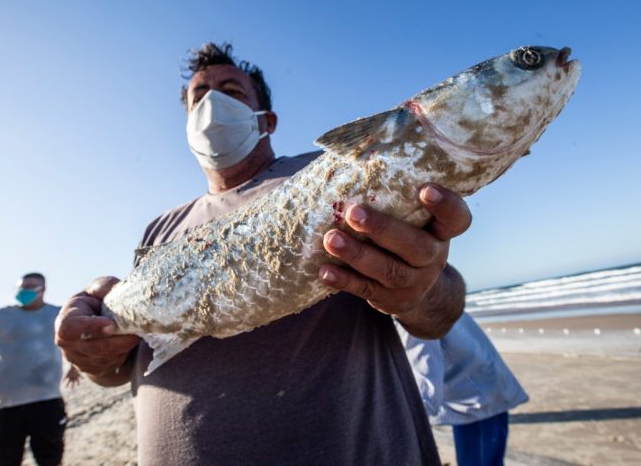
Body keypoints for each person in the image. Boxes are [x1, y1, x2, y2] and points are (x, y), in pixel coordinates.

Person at [55, 42, 473, 465]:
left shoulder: (338, 171)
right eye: (199, 97)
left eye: (232, 92)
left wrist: (420, 292)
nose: (212, 104)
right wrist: (88, 355)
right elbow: (125, 359)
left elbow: (442, 308)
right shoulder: (158, 230)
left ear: (266, 120)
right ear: (186, 123)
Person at [0, 272, 81, 466]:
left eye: (29, 288)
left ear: (42, 290)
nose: (23, 292)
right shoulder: (1, 316)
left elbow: (74, 340)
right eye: (21, 288)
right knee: (5, 459)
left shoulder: (58, 315)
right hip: (2, 407)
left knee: (51, 458)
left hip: (47, 402)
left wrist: (74, 367)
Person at [398, 312, 529, 466]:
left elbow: (426, 385)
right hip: (470, 395)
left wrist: (400, 430)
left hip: (476, 401)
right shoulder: (421, 295)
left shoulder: (409, 310)